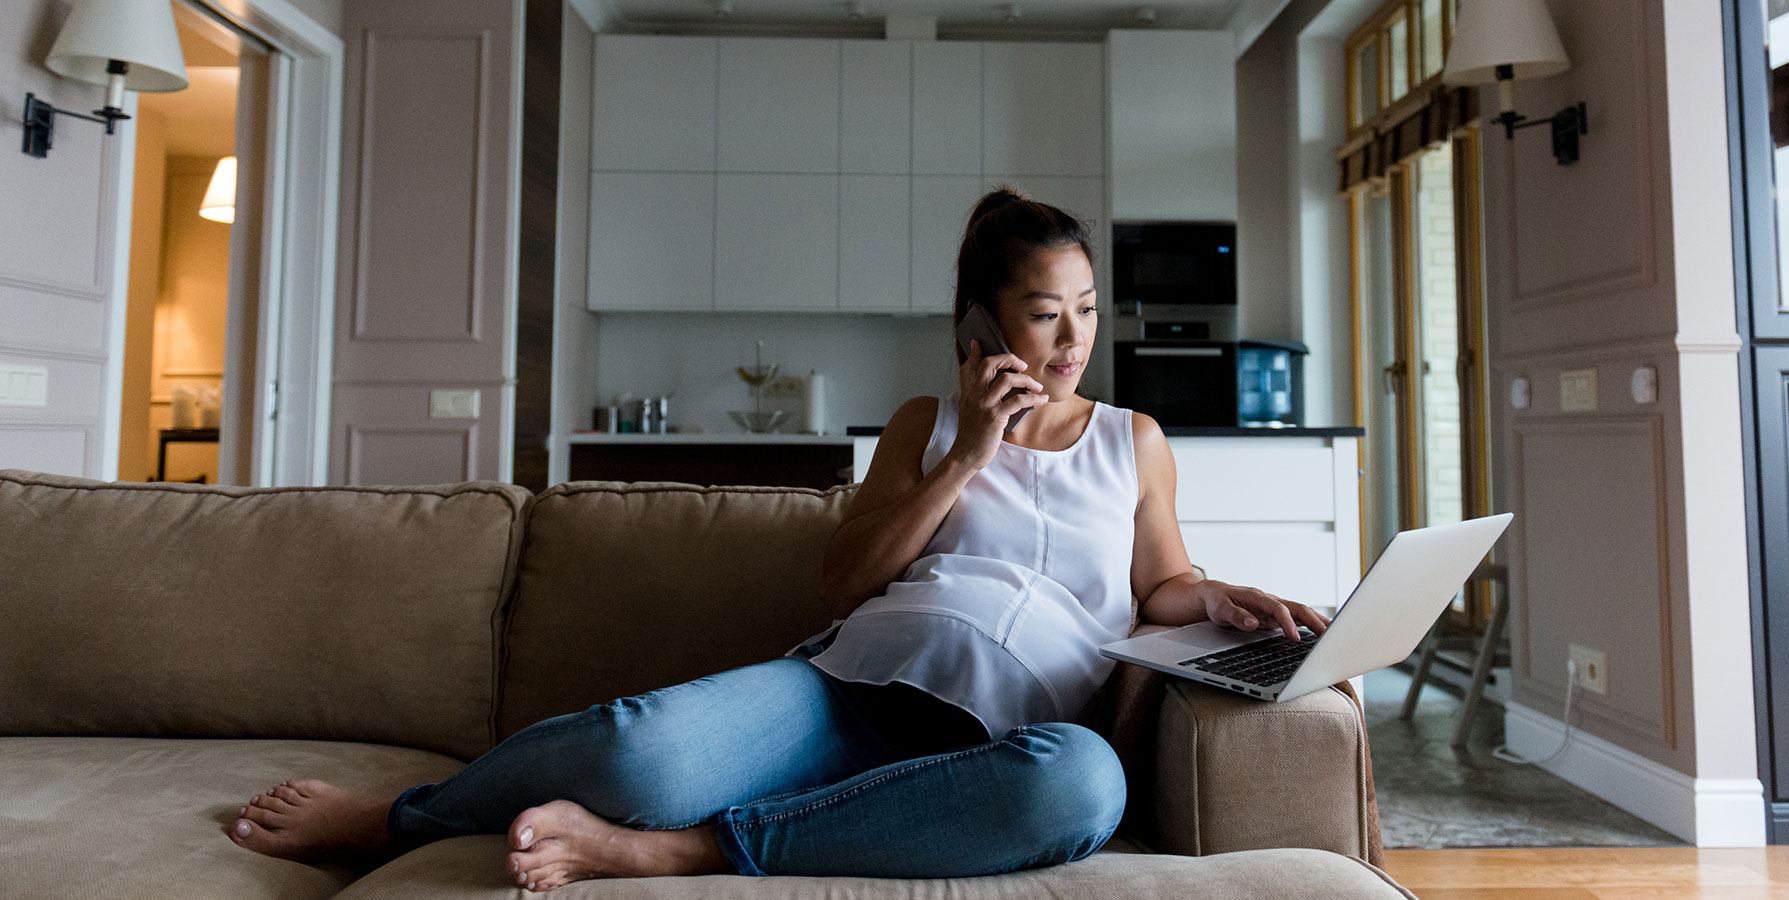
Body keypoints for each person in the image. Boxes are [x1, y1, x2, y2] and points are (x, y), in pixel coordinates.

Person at [223, 186, 1329, 891]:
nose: (1075, 336)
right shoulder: (925, 427)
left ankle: (684, 852)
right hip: (848, 694)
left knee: (1083, 790)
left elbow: (1162, 584)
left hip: (1006, 743)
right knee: (634, 748)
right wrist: (966, 458)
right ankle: (399, 821)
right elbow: (847, 583)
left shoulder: (1134, 440)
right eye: (1047, 312)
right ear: (987, 323)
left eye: (1087, 307)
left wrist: (1221, 596)